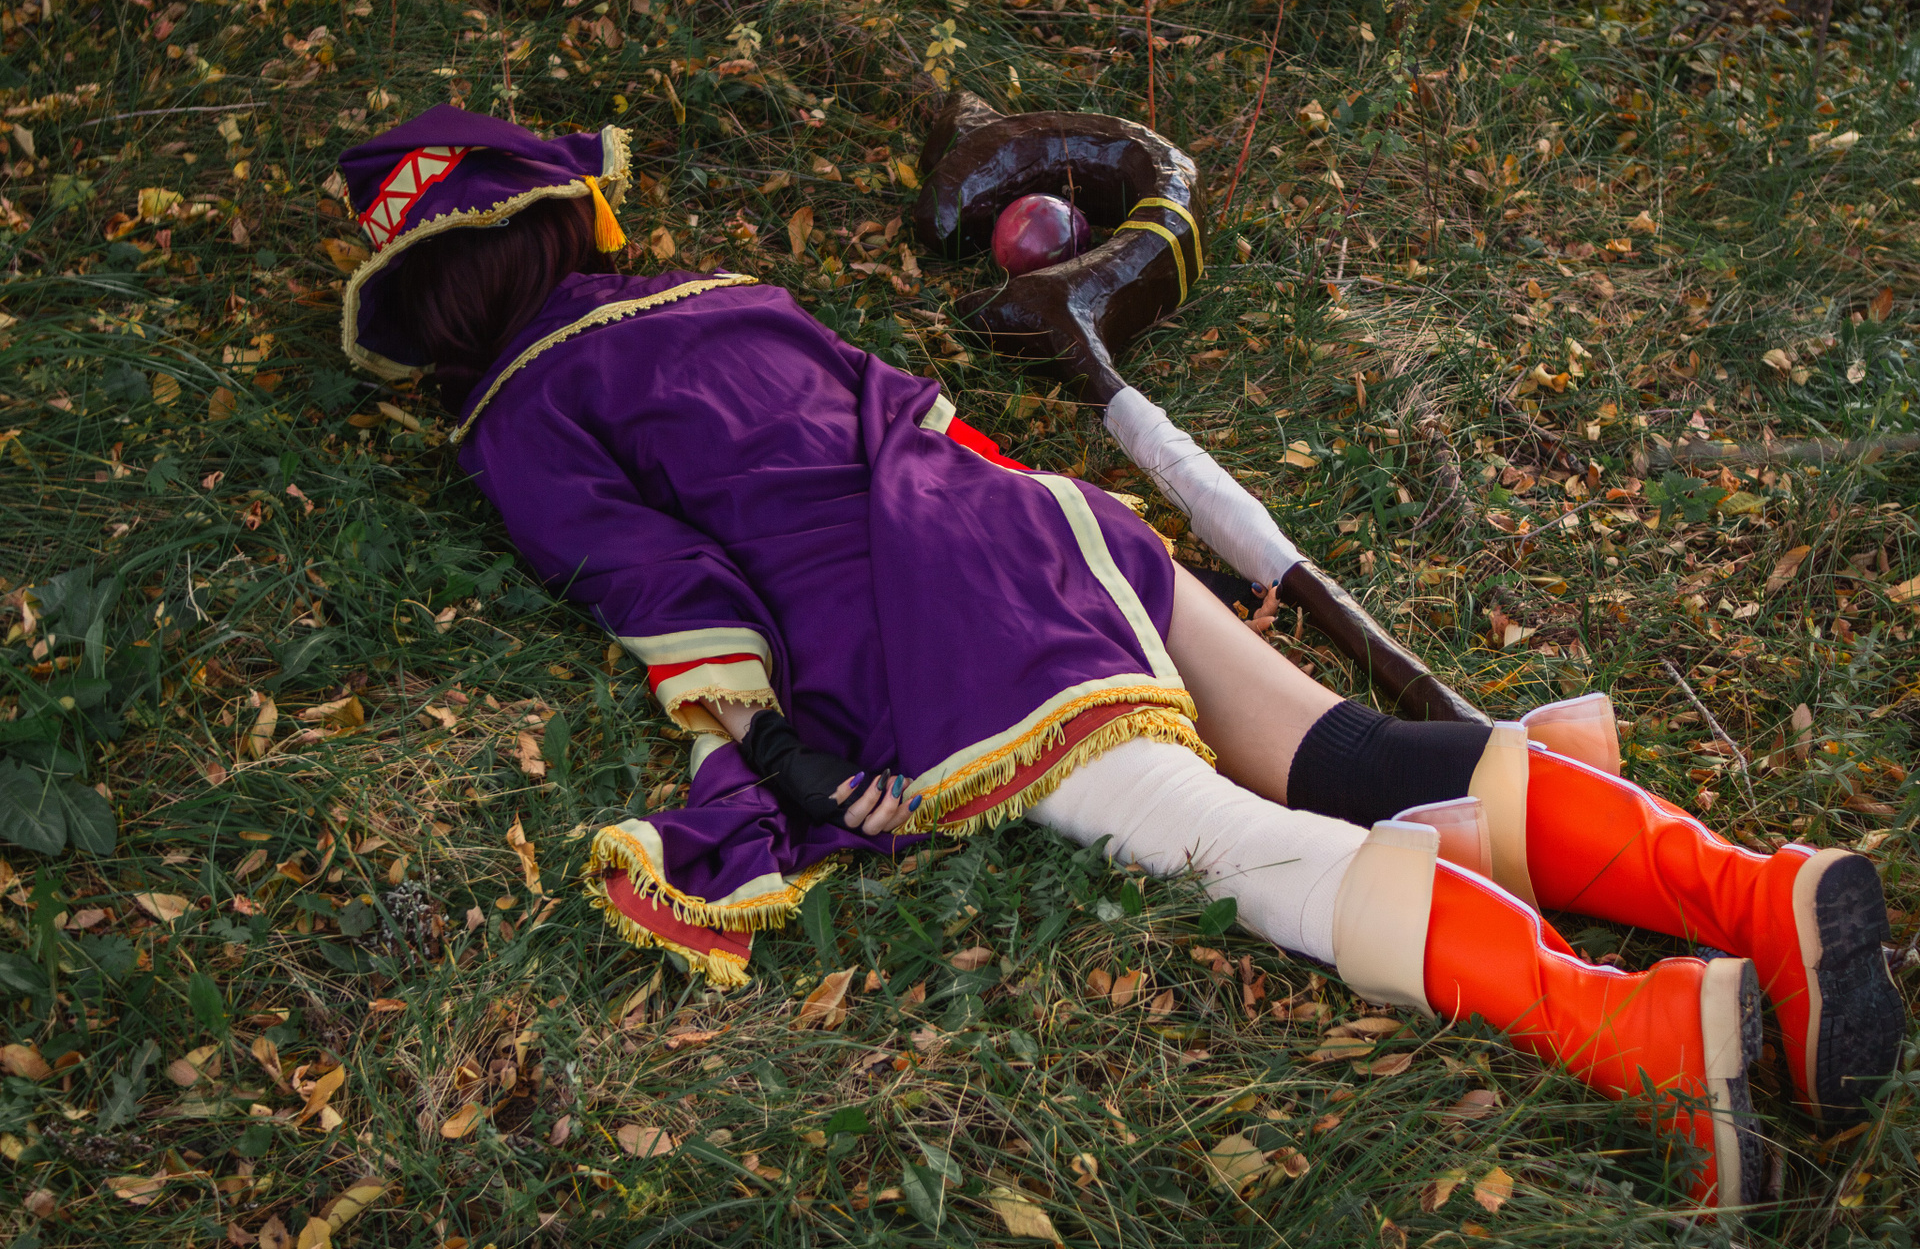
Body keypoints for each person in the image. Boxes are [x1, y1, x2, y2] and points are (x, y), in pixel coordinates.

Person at [336, 107, 1901, 1209]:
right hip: (1032, 518)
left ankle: (1637, 1034)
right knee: (1344, 757)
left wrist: (772, 749)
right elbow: (912, 420)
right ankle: (1752, 894)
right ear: (565, 218)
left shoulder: (519, 414)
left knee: (1246, 853)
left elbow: (666, 587)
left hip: (936, 617)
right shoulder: (716, 295)